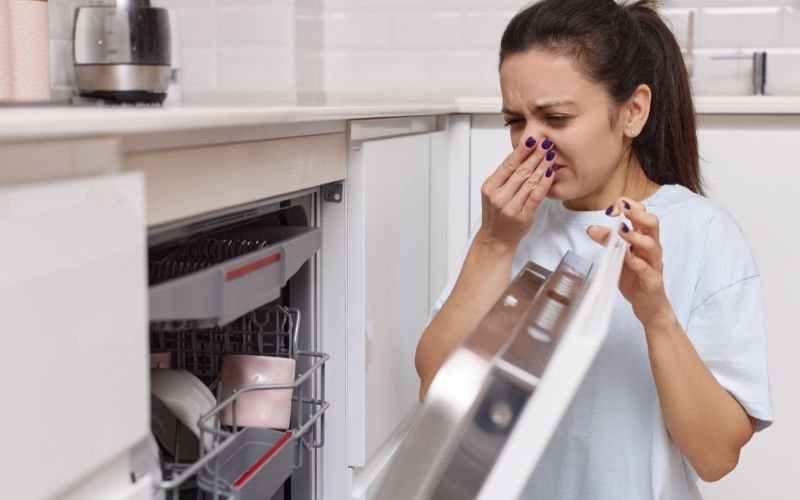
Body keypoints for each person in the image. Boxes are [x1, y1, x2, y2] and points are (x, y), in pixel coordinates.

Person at [414, 0, 773, 498]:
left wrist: (656, 315)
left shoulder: (704, 234)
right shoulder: (512, 227)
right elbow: (438, 394)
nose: (529, 144)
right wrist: (493, 244)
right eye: (515, 122)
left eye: (556, 117)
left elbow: (716, 458)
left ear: (633, 111)